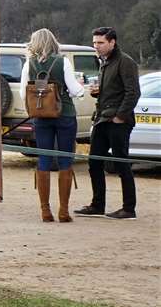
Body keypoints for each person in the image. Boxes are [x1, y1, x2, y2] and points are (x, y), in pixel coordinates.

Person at [24, 28, 86, 222]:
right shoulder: (63, 61)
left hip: (41, 116)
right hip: (64, 114)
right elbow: (76, 90)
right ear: (53, 42)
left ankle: (45, 210)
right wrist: (82, 88)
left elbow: (22, 93)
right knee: (65, 160)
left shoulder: (29, 64)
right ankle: (64, 211)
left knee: (43, 159)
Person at [80, 26, 140, 220]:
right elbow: (112, 90)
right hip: (102, 119)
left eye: (100, 43)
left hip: (118, 121)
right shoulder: (104, 62)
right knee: (94, 162)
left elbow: (133, 92)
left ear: (112, 42)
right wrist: (97, 92)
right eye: (94, 42)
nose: (96, 46)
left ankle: (129, 208)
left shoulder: (126, 62)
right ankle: (97, 205)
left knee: (121, 163)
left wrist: (120, 116)